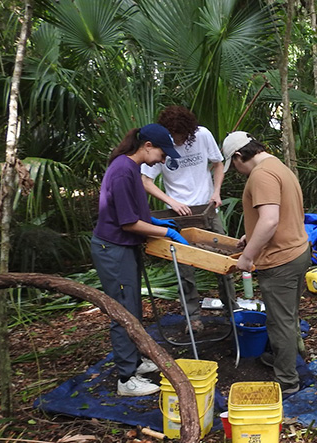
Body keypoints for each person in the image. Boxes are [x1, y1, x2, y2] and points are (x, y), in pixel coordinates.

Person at [91, 124, 190, 396]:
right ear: (147, 145)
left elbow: (134, 211)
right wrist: (165, 231)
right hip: (113, 248)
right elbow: (128, 223)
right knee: (123, 312)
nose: (162, 159)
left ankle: (134, 361)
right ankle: (125, 379)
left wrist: (154, 220)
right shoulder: (122, 170)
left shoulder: (131, 167)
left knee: (132, 307)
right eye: (161, 152)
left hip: (124, 247)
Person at [222, 131, 312, 395]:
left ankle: (287, 380)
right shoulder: (278, 166)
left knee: (279, 321)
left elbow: (270, 220)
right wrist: (251, 236)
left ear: (239, 156)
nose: (236, 170)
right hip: (297, 250)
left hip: (280, 260)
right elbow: (279, 215)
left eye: (234, 164)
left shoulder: (261, 175)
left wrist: (248, 256)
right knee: (288, 316)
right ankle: (283, 357)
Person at [141, 106, 236, 330]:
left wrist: (217, 191)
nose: (177, 140)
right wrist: (171, 201)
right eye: (173, 136)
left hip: (208, 209)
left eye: (181, 136)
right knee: (184, 268)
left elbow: (218, 163)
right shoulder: (159, 145)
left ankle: (232, 310)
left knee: (224, 261)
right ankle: (192, 317)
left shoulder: (202, 135)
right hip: (179, 215)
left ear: (190, 131)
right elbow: (145, 180)